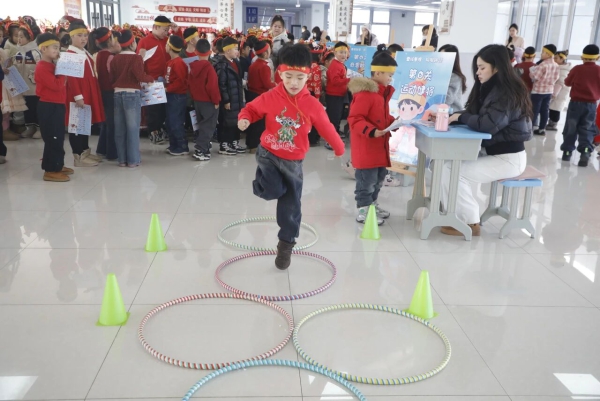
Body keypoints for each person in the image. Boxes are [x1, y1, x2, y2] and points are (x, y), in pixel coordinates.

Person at [237, 44, 345, 270]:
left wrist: (339, 147)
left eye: (299, 78)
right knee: (273, 191)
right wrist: (244, 118)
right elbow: (251, 109)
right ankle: (262, 186)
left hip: (293, 161)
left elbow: (327, 127)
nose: (293, 83)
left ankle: (286, 244)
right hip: (268, 154)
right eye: (288, 77)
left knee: (291, 205)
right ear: (280, 74)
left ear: (308, 76)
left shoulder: (312, 104)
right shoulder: (271, 96)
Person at [443, 44, 532, 237]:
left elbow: (487, 124)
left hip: (508, 159)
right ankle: (453, 214)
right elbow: (475, 114)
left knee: (453, 171)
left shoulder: (506, 93)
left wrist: (461, 117)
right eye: (477, 68)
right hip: (495, 153)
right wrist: (452, 116)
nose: (478, 72)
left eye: (482, 68)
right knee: (445, 165)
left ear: (497, 67)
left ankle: (470, 222)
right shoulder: (492, 89)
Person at [348, 52, 397, 225]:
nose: (391, 78)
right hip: (366, 148)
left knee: (378, 180)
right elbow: (355, 119)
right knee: (366, 182)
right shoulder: (365, 94)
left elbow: (381, 118)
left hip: (379, 148)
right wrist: (371, 131)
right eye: (389, 75)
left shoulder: (381, 95)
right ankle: (363, 210)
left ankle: (372, 205)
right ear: (377, 73)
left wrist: (395, 122)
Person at [110, 29, 155, 167]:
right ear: (132, 43)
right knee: (133, 128)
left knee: (120, 128)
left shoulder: (115, 58)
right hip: (132, 95)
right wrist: (151, 79)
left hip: (117, 94)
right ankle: (133, 160)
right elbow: (140, 76)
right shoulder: (136, 58)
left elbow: (112, 78)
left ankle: (122, 160)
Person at [65, 20, 105, 167]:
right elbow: (71, 78)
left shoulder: (83, 52)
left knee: (85, 123)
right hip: (78, 94)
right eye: (79, 36)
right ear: (72, 36)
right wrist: (78, 96)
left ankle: (85, 151)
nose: (83, 39)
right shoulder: (70, 54)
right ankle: (78, 155)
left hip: (87, 91)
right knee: (77, 125)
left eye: (85, 36)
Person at [34, 33, 73, 181]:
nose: (57, 51)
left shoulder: (52, 65)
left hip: (57, 105)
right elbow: (56, 86)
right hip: (48, 106)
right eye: (54, 48)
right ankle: (50, 170)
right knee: (53, 138)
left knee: (58, 137)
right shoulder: (42, 67)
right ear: (43, 49)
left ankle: (58, 164)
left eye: (58, 48)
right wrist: (63, 71)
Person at [559, 45, 600, 167]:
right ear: (597, 57)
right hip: (591, 105)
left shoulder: (577, 69)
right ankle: (585, 152)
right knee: (587, 128)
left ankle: (567, 152)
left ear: (582, 57)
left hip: (575, 104)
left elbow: (567, 82)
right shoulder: (598, 70)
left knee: (571, 127)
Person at [137, 16, 171, 144]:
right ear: (155, 27)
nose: (166, 33)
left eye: (167, 30)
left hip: (166, 80)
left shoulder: (167, 41)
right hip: (152, 81)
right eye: (164, 30)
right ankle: (153, 132)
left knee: (163, 110)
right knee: (153, 110)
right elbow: (139, 62)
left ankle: (161, 130)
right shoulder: (144, 42)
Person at [189, 38, 220, 161]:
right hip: (208, 102)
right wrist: (216, 101)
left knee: (201, 125)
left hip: (197, 101)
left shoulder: (192, 68)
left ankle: (204, 147)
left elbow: (190, 85)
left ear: (196, 52)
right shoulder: (209, 68)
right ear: (210, 52)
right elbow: (212, 87)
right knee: (208, 126)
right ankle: (201, 150)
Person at [92, 27, 119, 160]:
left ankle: (101, 149)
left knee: (106, 122)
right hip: (110, 92)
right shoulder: (110, 57)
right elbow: (112, 76)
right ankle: (112, 153)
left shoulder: (99, 55)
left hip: (102, 91)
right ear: (110, 41)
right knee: (112, 123)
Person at [215, 36, 245, 155]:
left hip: (237, 98)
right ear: (227, 50)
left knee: (235, 121)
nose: (237, 51)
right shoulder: (222, 65)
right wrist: (226, 100)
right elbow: (221, 85)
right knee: (226, 122)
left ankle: (234, 142)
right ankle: (224, 144)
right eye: (235, 49)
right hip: (229, 100)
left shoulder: (236, 62)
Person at [13, 23, 41, 139]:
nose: (19, 39)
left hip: (35, 88)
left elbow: (41, 69)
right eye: (17, 37)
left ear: (29, 38)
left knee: (36, 109)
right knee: (27, 109)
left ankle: (39, 128)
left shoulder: (36, 53)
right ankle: (30, 128)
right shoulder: (18, 54)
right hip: (23, 88)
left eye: (22, 37)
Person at [246, 40, 275, 153]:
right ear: (265, 53)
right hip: (260, 96)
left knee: (252, 121)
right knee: (259, 122)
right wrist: (276, 85)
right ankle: (255, 145)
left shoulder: (253, 65)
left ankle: (250, 143)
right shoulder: (264, 67)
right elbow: (267, 84)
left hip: (251, 95)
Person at [164, 35, 189, 156]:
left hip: (177, 96)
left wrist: (168, 88)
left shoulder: (179, 63)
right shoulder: (170, 62)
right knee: (170, 121)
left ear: (170, 47)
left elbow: (181, 81)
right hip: (170, 95)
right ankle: (174, 144)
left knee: (176, 121)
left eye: (166, 44)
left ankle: (182, 146)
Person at [530, 44, 559, 136]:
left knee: (534, 110)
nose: (541, 54)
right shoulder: (556, 65)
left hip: (538, 91)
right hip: (549, 91)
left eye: (543, 52)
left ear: (548, 54)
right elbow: (556, 78)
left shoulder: (543, 64)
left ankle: (529, 129)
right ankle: (542, 129)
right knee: (545, 110)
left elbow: (535, 77)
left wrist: (531, 72)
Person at [325, 42, 350, 143]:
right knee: (334, 117)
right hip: (333, 95)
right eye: (341, 52)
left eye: (345, 52)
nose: (343, 55)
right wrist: (348, 80)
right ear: (335, 53)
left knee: (337, 115)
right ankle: (331, 140)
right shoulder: (335, 65)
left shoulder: (340, 64)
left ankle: (335, 133)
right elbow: (335, 81)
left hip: (339, 94)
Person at [547, 50, 572, 131]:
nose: (554, 60)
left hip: (559, 93)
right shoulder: (559, 68)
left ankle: (553, 124)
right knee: (553, 108)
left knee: (555, 109)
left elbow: (561, 82)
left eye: (556, 58)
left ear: (562, 59)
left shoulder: (563, 70)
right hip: (556, 92)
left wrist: (554, 93)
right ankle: (551, 123)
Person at [439, 44, 467, 112]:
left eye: (444, 57)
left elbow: (447, 100)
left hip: (451, 113)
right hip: (440, 112)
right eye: (439, 56)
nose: (440, 59)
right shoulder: (439, 73)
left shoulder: (454, 76)